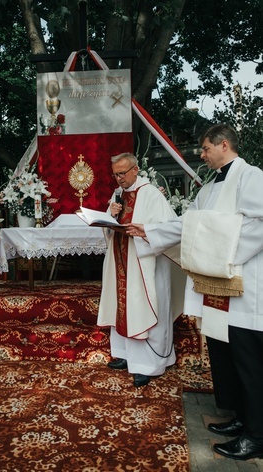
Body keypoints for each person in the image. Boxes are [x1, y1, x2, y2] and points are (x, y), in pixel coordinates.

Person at [126, 124, 263, 460]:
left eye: (204, 149)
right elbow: (190, 223)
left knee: (249, 360)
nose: (201, 155)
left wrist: (220, 252)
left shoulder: (252, 177)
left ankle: (258, 435)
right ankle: (240, 417)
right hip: (216, 286)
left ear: (224, 145)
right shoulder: (210, 188)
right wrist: (151, 230)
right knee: (223, 354)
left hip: (243, 284)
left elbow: (258, 224)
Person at [97, 152, 180, 388]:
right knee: (123, 306)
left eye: (122, 173)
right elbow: (110, 229)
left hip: (146, 263)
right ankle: (126, 354)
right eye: (115, 174)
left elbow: (170, 229)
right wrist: (109, 216)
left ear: (135, 169)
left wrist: (147, 231)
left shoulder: (151, 194)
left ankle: (149, 364)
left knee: (142, 306)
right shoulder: (118, 194)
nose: (119, 179)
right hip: (122, 260)